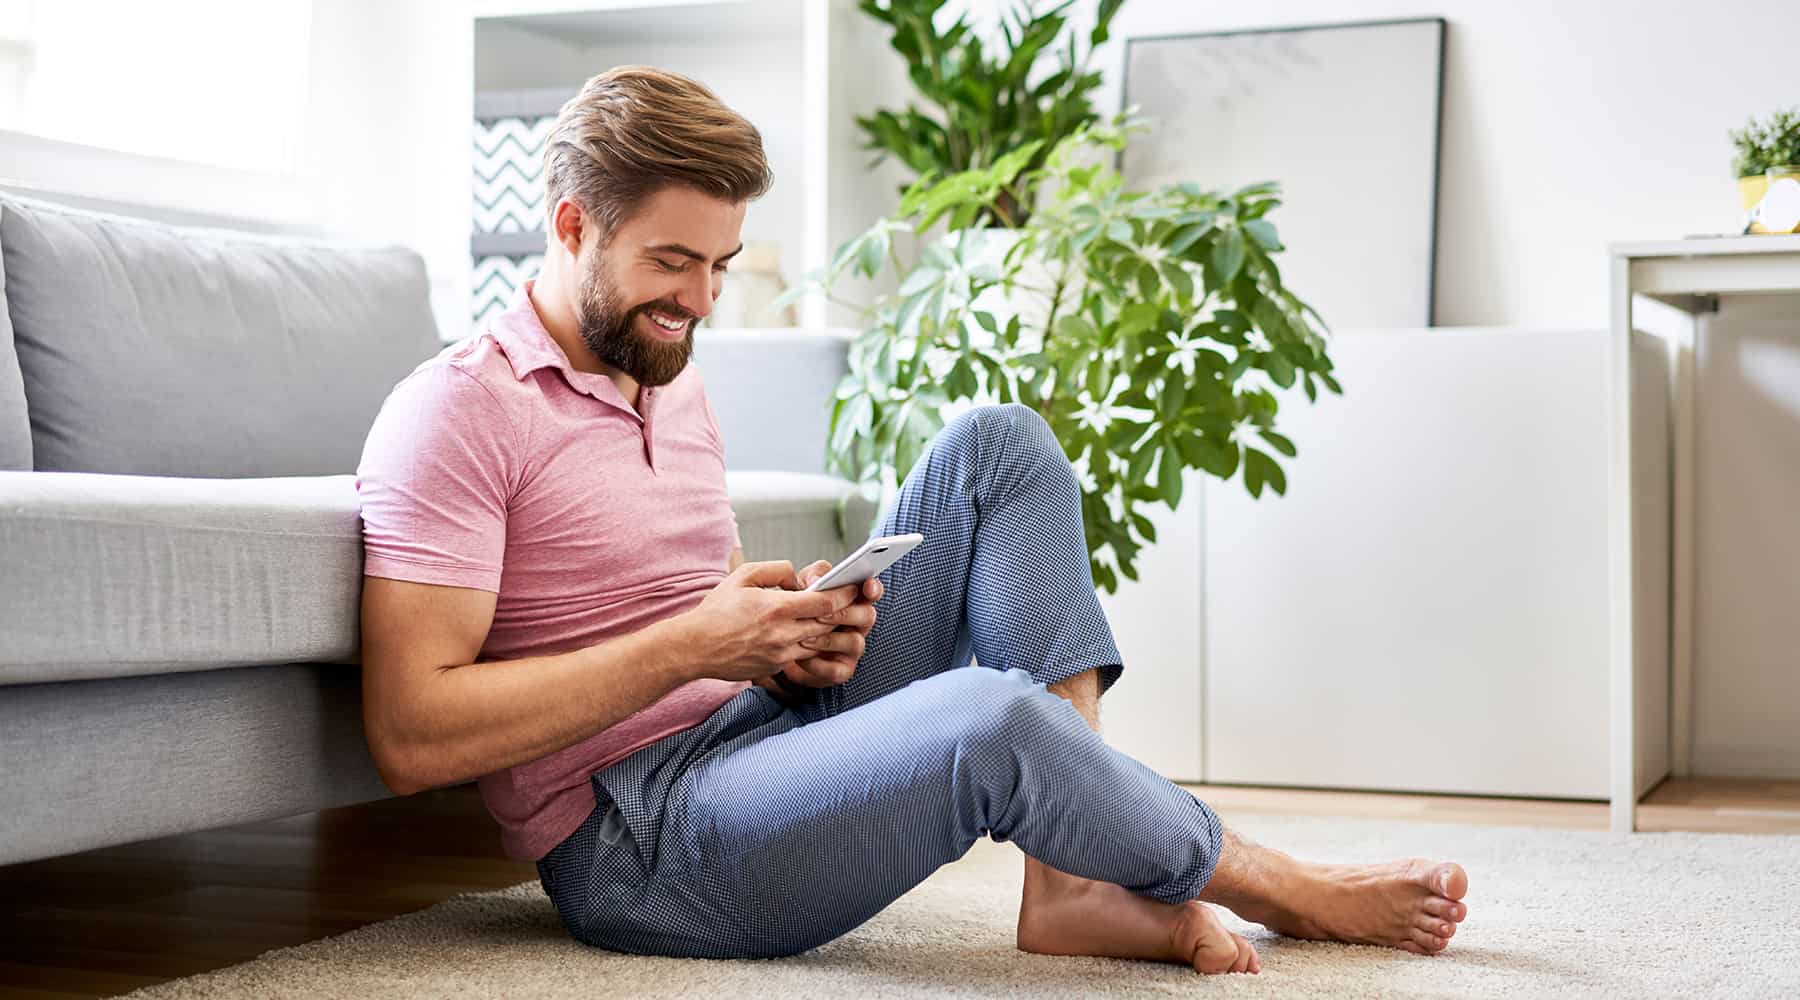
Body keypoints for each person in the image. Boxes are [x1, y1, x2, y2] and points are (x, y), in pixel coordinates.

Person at [354, 65, 1469, 975]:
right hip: (639, 839)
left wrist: (791, 638)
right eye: (672, 262)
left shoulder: (669, 371)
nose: (700, 301)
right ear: (569, 225)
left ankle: (1068, 884)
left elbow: (699, 598)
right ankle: (1284, 883)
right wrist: (699, 642)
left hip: (753, 730)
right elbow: (411, 733)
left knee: (1000, 441)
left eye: (720, 267)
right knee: (990, 716)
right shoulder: (457, 411)